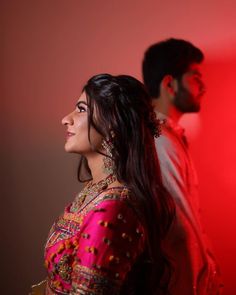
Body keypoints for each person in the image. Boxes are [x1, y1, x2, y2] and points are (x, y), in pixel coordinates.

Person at [30, 74, 175, 295]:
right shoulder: (94, 191)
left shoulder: (114, 206)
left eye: (81, 109)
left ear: (112, 124)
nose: (65, 119)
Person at [142, 38, 223, 294]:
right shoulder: (161, 140)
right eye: (195, 77)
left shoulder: (167, 136)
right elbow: (181, 231)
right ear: (170, 84)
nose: (203, 86)